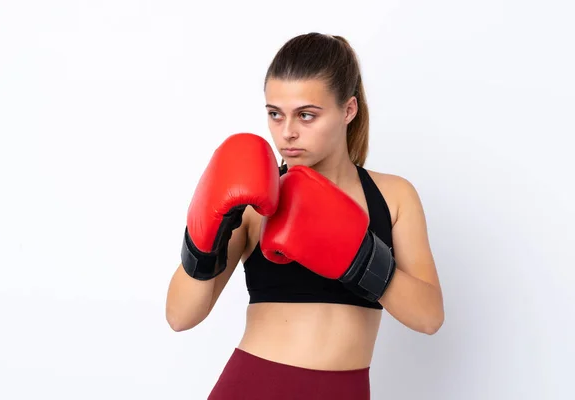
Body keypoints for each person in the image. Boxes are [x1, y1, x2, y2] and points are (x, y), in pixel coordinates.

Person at [165, 32, 444, 399]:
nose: (287, 133)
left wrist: (360, 258)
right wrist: (204, 240)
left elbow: (428, 318)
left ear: (348, 110)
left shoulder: (392, 196)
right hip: (253, 386)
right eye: (275, 115)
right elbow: (180, 317)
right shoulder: (258, 200)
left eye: (306, 115)